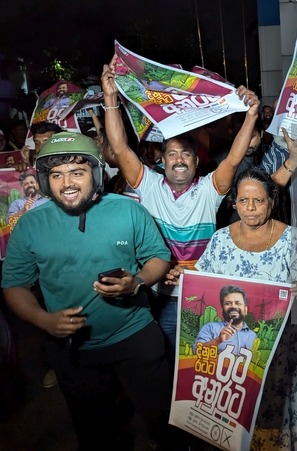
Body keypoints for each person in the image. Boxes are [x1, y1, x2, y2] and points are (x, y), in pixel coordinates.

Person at [1, 132, 172, 450]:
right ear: (44, 180)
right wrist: (43, 320)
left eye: (77, 172)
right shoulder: (30, 225)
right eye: (56, 174)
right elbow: (14, 285)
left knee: (163, 423)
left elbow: (158, 257)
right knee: (96, 434)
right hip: (74, 352)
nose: (67, 182)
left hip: (135, 336)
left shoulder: (129, 210)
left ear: (94, 174)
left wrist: (137, 281)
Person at [102, 55, 260, 361]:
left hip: (204, 299)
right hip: (160, 299)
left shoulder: (207, 191)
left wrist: (251, 115)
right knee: (169, 365)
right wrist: (110, 100)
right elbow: (120, 148)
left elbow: (233, 160)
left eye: (186, 154)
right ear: (162, 161)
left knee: (205, 364)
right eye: (172, 154)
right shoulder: (147, 185)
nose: (178, 160)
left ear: (196, 162)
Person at [166, 167, 297, 451]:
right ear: (234, 202)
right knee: (238, 411)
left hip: (279, 351)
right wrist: (181, 277)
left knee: (274, 413)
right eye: (243, 201)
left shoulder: (292, 238)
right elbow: (204, 284)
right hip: (234, 354)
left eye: (258, 201)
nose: (250, 208)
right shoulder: (221, 239)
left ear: (271, 201)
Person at [192, 285, 257, 355]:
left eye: (238, 303)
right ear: (222, 310)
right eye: (228, 303)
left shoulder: (254, 336)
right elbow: (196, 351)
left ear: (245, 310)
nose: (233, 306)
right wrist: (218, 340)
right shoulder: (210, 328)